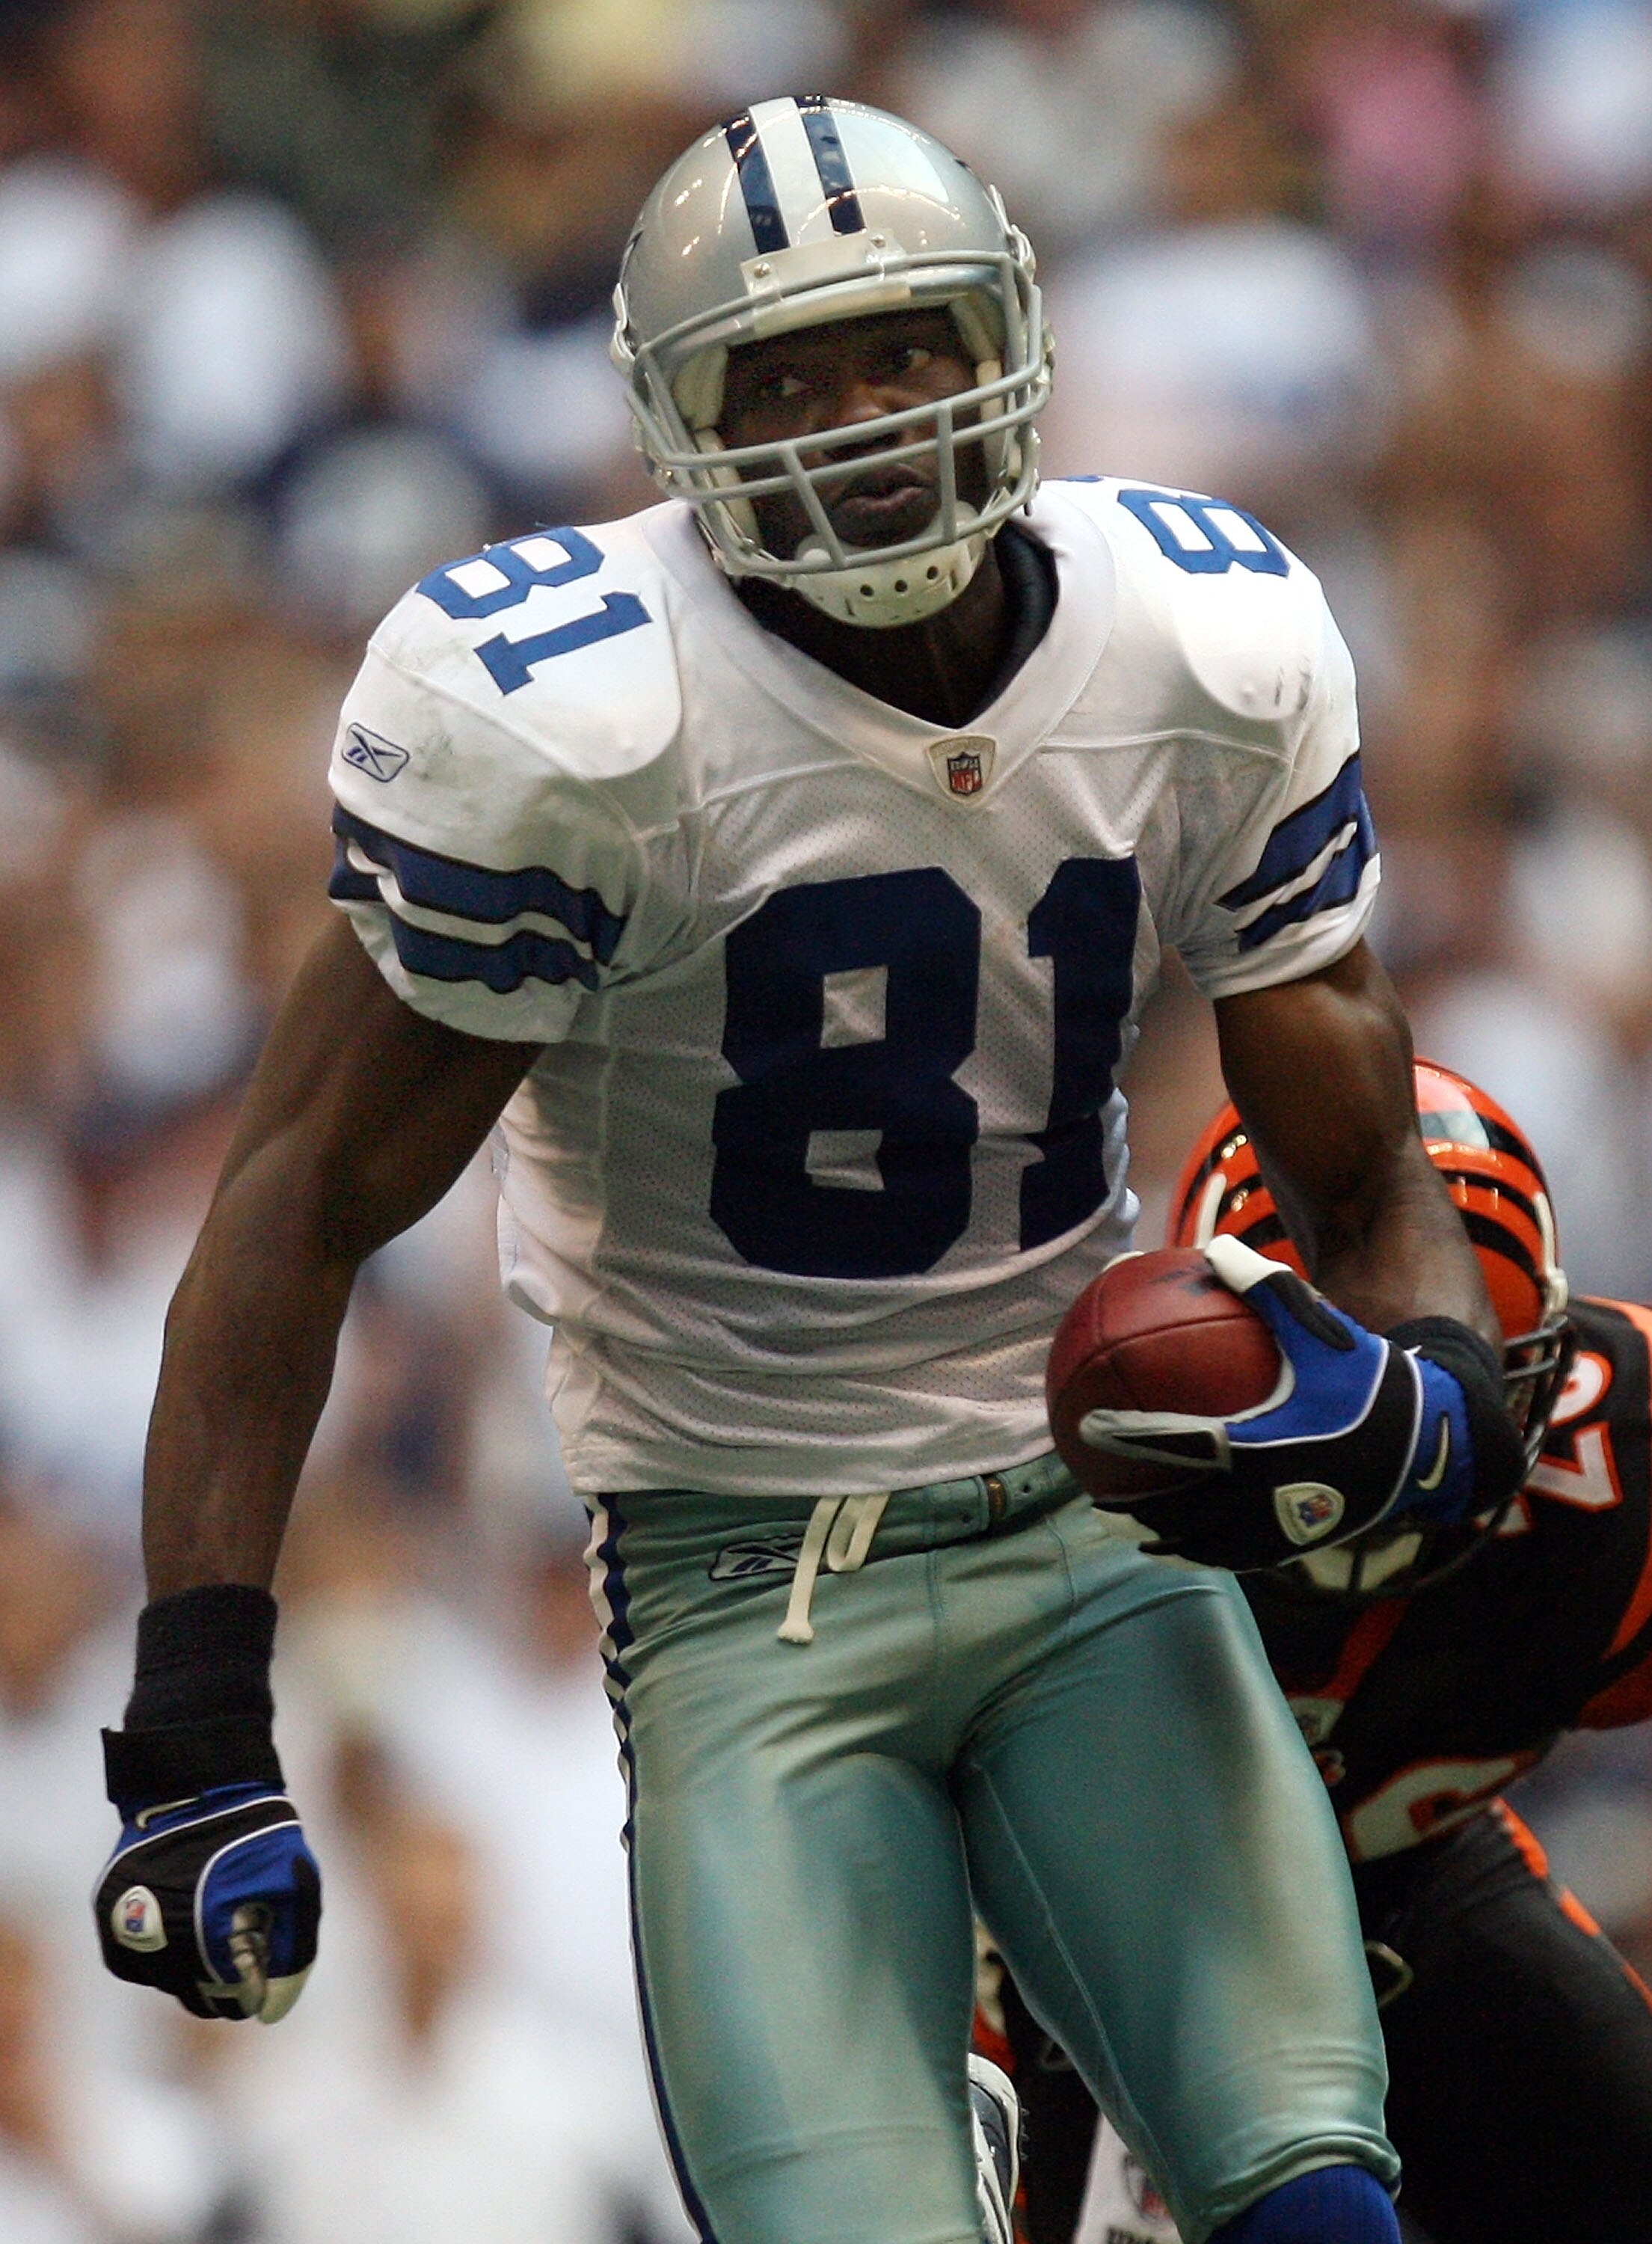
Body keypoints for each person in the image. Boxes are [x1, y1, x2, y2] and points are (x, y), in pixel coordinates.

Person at [88, 98, 1530, 2244]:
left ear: (1005, 343)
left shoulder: (1195, 645)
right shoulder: (570, 720)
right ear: (679, 420)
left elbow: (1359, 1148)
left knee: (1316, 2201)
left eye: (901, 349)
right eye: (782, 375)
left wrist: (1436, 1382)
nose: (857, 420)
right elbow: (297, 1206)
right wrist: (193, 1724)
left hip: (1091, 1531)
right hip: (743, 1587)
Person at [994, 1062, 1652, 2244]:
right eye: (1340, 1425)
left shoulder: (1616, 1474)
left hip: (1410, 1896)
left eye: (1454, 1411)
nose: (1397, 1487)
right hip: (1083, 1931)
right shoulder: (1057, 1486)